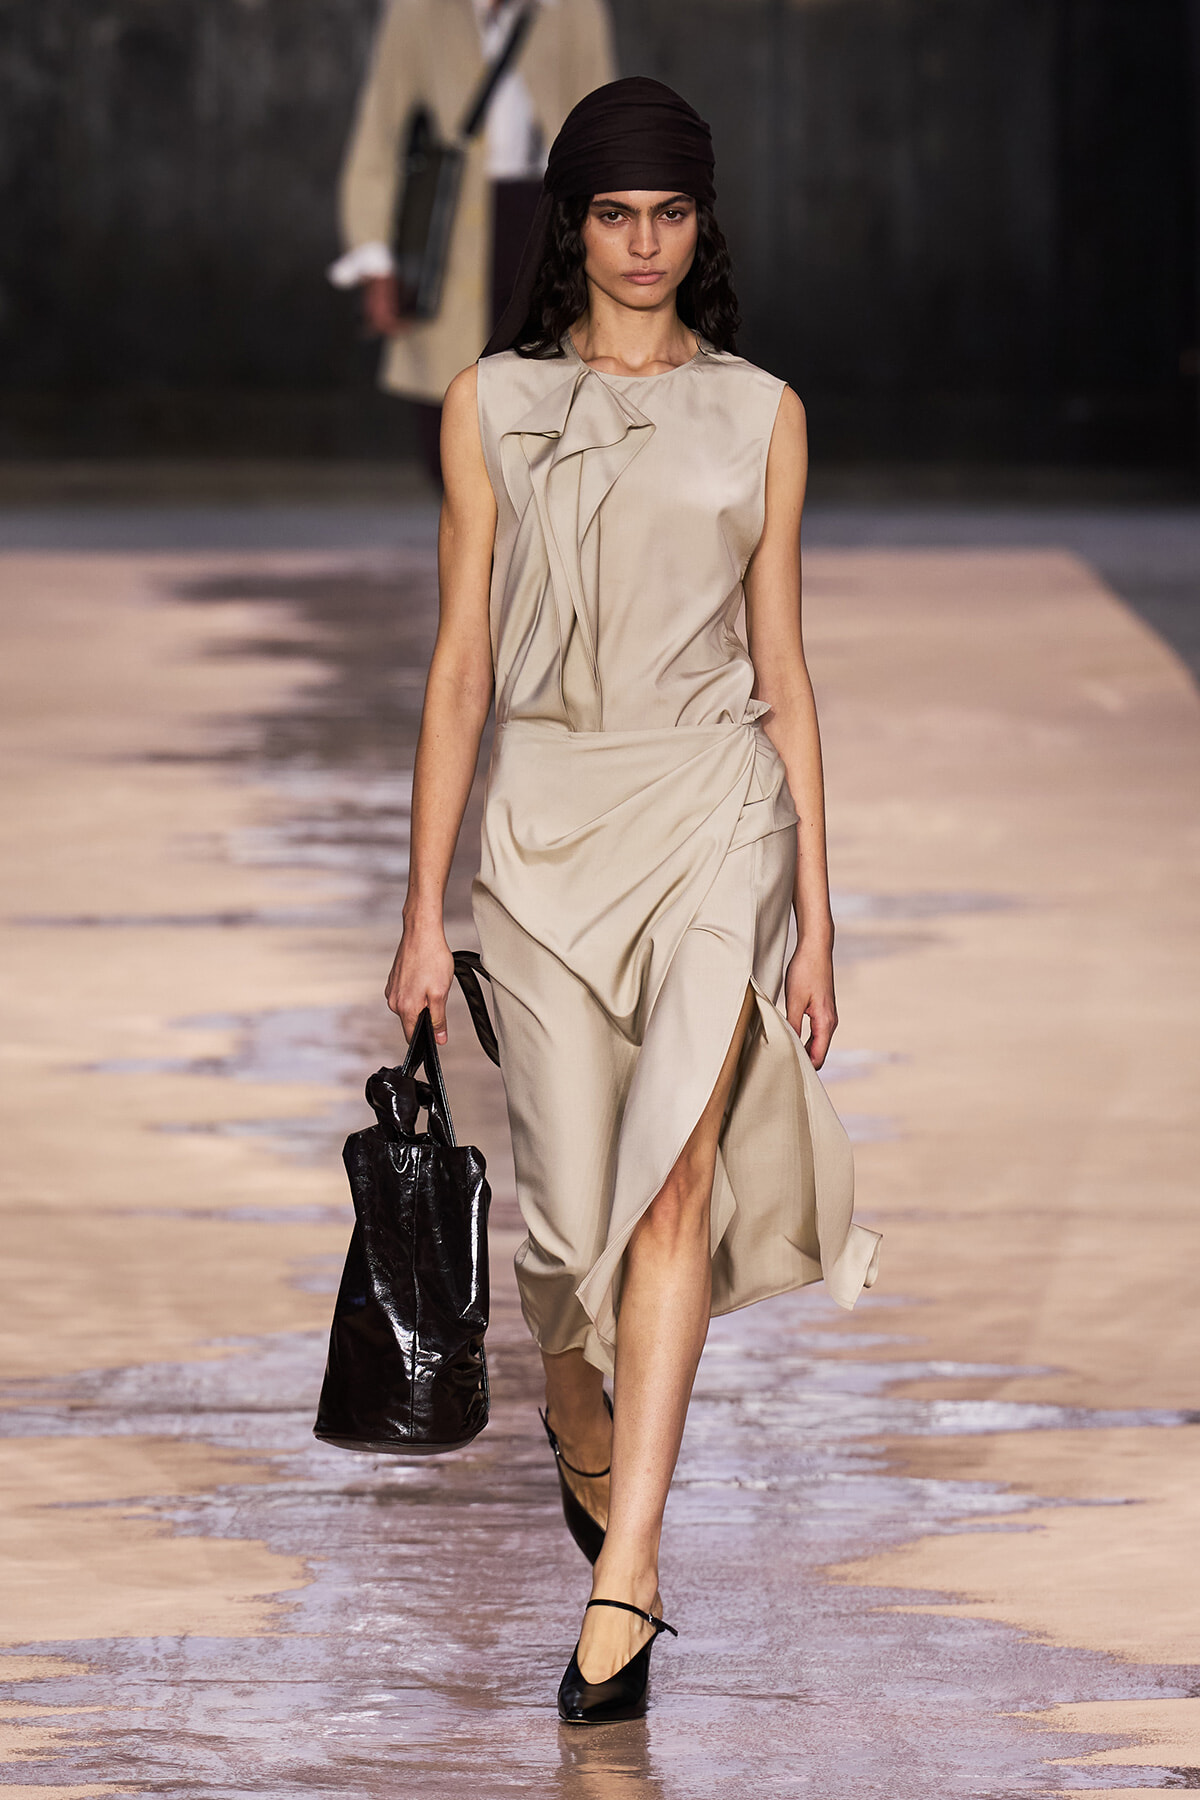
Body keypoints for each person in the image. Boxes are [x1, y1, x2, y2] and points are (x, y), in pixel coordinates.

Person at [385, 76, 881, 1722]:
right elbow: (460, 669)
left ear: (700, 223)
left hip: (711, 816)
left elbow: (785, 663)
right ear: (573, 226)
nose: (645, 243)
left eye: (671, 213)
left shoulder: (763, 414)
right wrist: (419, 910)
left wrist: (820, 909)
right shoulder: (491, 403)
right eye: (616, 213)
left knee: (675, 1191)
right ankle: (578, 1410)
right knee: (561, 1235)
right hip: (542, 829)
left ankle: (629, 1573)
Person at [328, 0, 616, 481]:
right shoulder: (417, 10)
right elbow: (379, 133)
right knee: (449, 432)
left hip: (550, 226)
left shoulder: (575, 9)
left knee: (551, 425)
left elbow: (604, 133)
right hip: (447, 237)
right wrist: (376, 260)